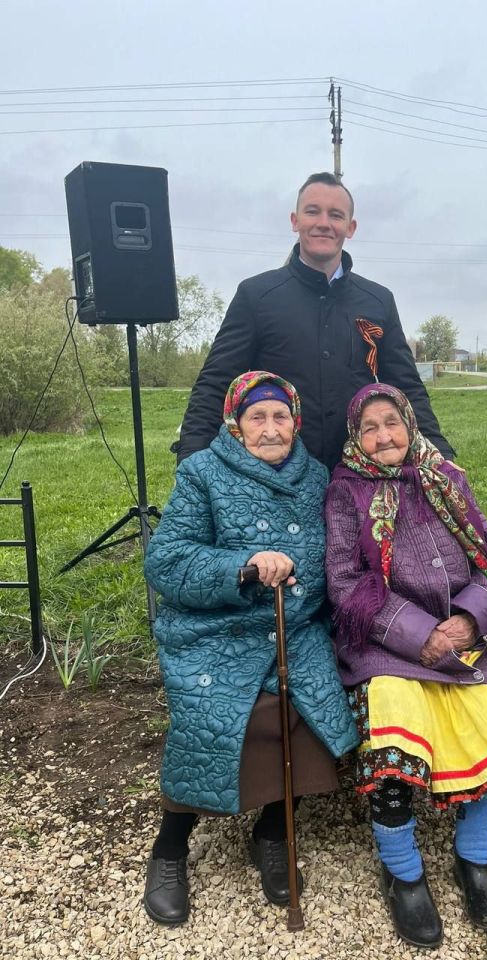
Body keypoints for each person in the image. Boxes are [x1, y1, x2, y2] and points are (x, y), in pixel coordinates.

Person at [142, 370, 359, 925]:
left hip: (296, 628)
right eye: (256, 417)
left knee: (316, 707)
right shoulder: (202, 474)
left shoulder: (318, 478)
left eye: (279, 416)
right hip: (215, 628)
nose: (269, 428)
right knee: (208, 719)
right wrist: (240, 567)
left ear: (296, 422)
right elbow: (166, 563)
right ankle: (170, 849)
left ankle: (272, 831)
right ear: (236, 427)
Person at [324, 383, 487, 948]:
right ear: (356, 438)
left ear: (410, 424)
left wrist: (467, 620)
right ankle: (402, 870)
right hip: (388, 645)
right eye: (370, 427)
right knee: (393, 729)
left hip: (468, 639)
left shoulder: (446, 478)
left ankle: (475, 858)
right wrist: (419, 635)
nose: (384, 435)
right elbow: (345, 582)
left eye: (392, 422)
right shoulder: (345, 492)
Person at [177, 172, 454, 470]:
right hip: (274, 471)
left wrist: (440, 456)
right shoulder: (256, 295)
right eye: (313, 211)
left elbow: (406, 387)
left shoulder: (378, 300)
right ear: (295, 220)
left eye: (336, 215)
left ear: (351, 227)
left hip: (359, 471)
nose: (324, 223)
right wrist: (192, 459)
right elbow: (216, 382)